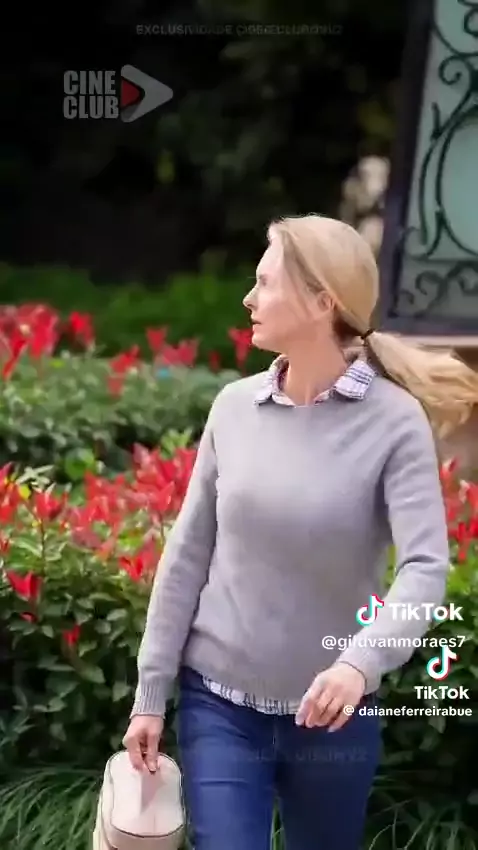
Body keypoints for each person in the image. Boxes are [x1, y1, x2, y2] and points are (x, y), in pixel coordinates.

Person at [123, 215, 478, 850]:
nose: (248, 298)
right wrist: (150, 693)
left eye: (264, 283)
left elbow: (424, 569)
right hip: (219, 705)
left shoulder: (395, 422)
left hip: (335, 715)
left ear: (322, 302)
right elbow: (188, 552)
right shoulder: (234, 408)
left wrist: (358, 665)